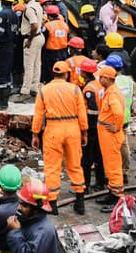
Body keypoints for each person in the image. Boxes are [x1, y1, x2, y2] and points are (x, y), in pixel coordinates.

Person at [32, 61, 88, 213]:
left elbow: (38, 115)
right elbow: (82, 114)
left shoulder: (44, 90)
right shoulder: (75, 89)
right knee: (75, 164)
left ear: (53, 73)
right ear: (67, 73)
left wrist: (35, 134)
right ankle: (80, 201)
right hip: (72, 129)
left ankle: (53, 204)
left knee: (52, 167)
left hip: (53, 130)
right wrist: (84, 132)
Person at [95, 65, 126, 209]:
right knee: (110, 165)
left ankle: (117, 197)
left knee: (113, 166)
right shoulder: (110, 91)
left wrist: (117, 126)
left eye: (101, 77)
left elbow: (119, 113)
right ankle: (112, 192)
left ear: (107, 78)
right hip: (107, 134)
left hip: (110, 135)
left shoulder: (112, 94)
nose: (99, 79)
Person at [79, 62, 106, 196]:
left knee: (87, 158)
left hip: (91, 126)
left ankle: (85, 186)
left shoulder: (89, 89)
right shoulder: (99, 85)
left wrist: (85, 126)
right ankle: (100, 183)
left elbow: (93, 109)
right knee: (98, 155)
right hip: (99, 124)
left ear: (84, 73)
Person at [18, 0, 45, 98]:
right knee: (36, 64)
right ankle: (34, 87)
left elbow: (34, 25)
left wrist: (29, 39)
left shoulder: (29, 9)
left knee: (28, 65)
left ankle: (25, 91)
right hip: (39, 37)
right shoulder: (38, 6)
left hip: (32, 38)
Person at [41, 5, 70, 73]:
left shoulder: (48, 26)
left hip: (50, 53)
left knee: (50, 72)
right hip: (63, 52)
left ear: (49, 16)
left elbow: (43, 39)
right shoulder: (65, 25)